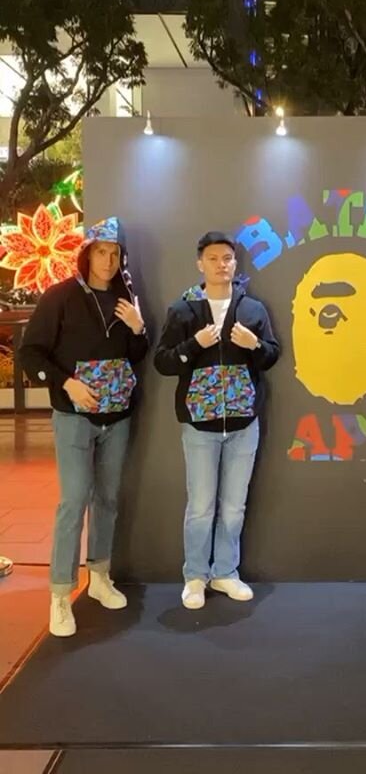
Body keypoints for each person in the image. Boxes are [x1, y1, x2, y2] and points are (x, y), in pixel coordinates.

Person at [20, 217, 148, 637]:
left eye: (115, 254)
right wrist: (66, 383)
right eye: (101, 252)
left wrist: (138, 329)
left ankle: (100, 576)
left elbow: (136, 354)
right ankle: (60, 594)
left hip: (118, 417)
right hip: (74, 417)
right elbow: (30, 353)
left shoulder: (125, 298)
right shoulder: (60, 297)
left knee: (107, 499)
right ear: (87, 254)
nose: (108, 261)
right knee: (74, 501)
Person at [154, 231, 280, 609]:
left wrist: (254, 345)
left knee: (234, 507)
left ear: (235, 263)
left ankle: (226, 572)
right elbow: (162, 362)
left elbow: (271, 356)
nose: (221, 265)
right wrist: (195, 345)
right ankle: (195, 576)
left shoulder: (253, 309)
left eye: (227, 258)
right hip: (199, 425)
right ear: (200, 264)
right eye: (213, 258)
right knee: (201, 506)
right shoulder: (183, 310)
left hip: (243, 424)